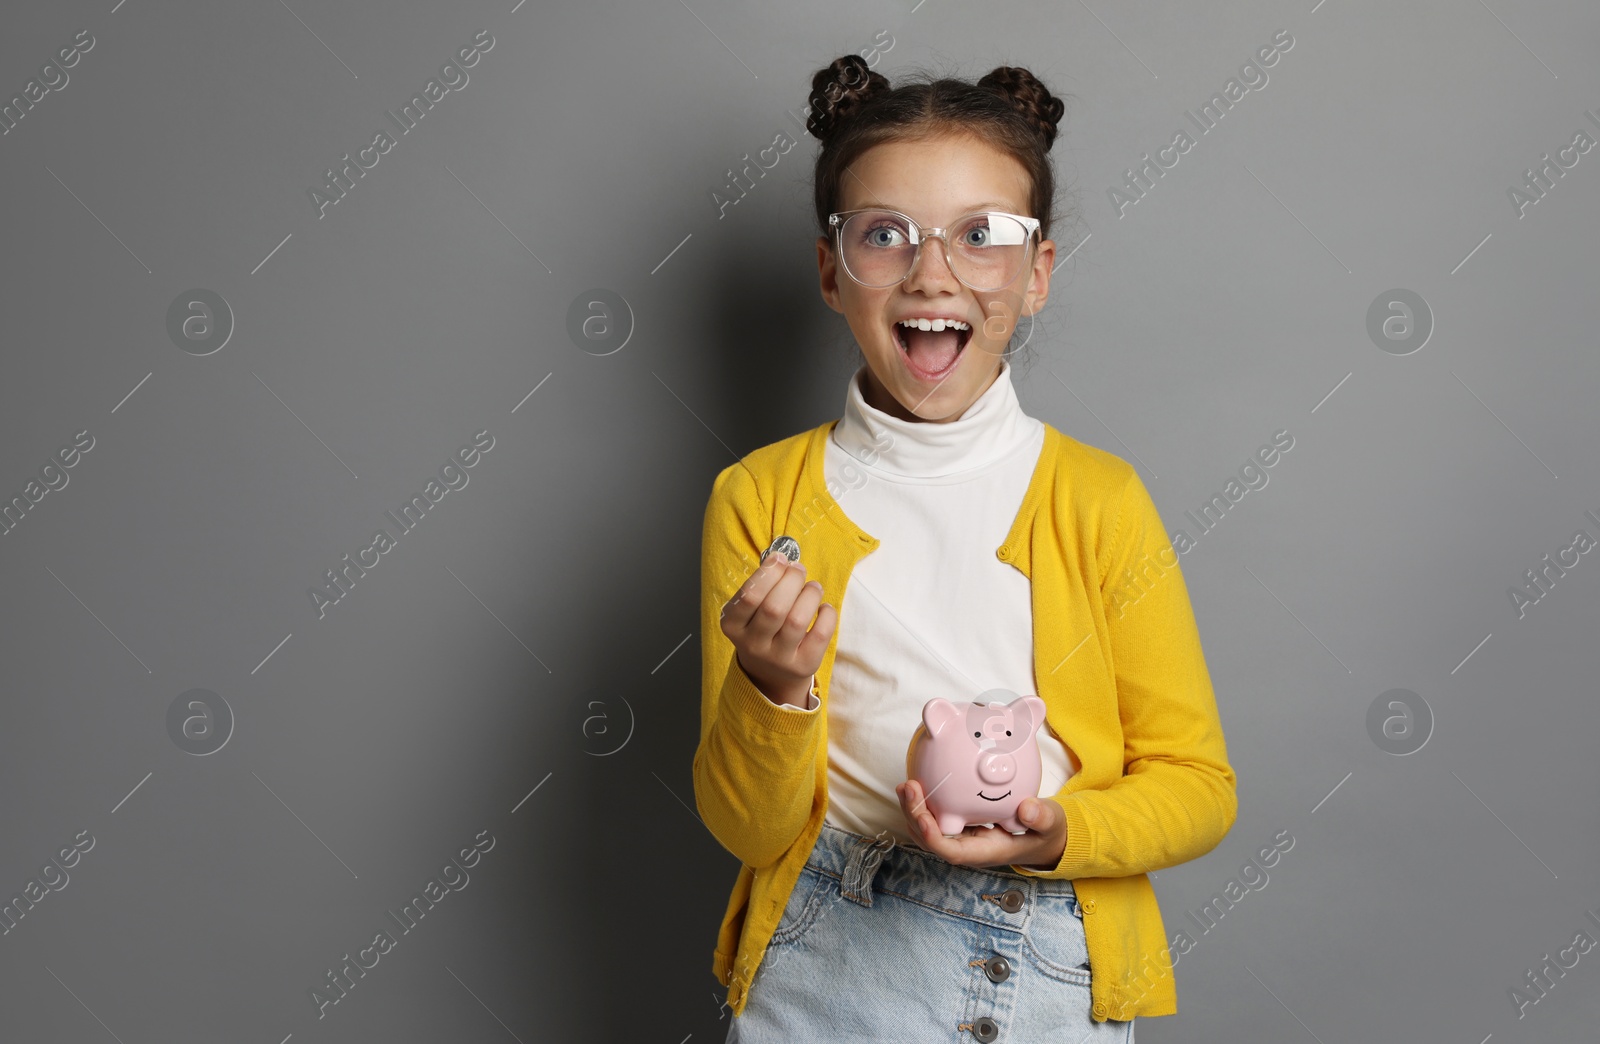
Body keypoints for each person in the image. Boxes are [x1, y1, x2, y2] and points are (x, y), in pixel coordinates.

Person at [693, 53, 1237, 1043]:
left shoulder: (1098, 499)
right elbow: (747, 828)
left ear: (1035, 276)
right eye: (884, 235)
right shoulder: (760, 498)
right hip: (825, 964)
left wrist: (1061, 833)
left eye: (981, 236)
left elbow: (1198, 788)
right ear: (831, 270)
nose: (932, 272)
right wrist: (771, 691)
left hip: (1047, 964)